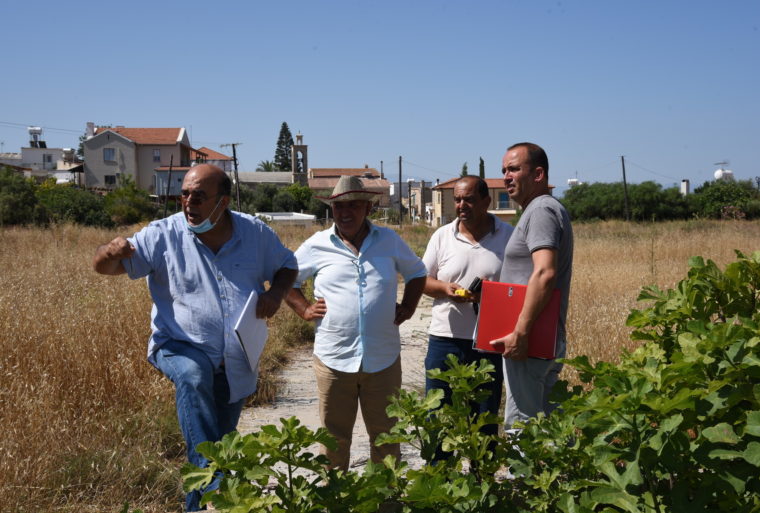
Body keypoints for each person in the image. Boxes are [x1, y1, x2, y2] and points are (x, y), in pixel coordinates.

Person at [92, 164, 298, 511]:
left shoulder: (255, 234)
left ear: (223, 202)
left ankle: (197, 503)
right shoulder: (162, 234)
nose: (189, 202)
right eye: (184, 194)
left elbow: (287, 265)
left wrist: (275, 295)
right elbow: (106, 267)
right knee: (194, 375)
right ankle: (220, 487)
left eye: (199, 196)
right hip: (178, 346)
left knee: (218, 441)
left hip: (236, 358)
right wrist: (109, 253)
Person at [285, 175, 427, 470]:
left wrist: (410, 306)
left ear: (368, 209)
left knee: (387, 437)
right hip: (333, 359)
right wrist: (304, 309)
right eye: (339, 208)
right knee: (333, 439)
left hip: (383, 359)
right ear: (332, 210)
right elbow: (287, 278)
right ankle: (334, 499)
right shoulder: (317, 244)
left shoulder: (389, 241)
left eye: (353, 206)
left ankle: (385, 502)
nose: (345, 213)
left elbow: (417, 272)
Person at [421, 175, 513, 460]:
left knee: (484, 421)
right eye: (458, 199)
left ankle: (480, 485)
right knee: (438, 417)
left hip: (489, 342)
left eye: (469, 199)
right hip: (444, 341)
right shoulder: (442, 236)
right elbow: (422, 281)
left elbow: (521, 288)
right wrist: (446, 289)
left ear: (487, 201)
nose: (462, 205)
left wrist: (490, 296)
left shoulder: (509, 237)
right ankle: (439, 483)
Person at [490, 143, 573, 433]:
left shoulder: (540, 211)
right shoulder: (543, 209)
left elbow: (544, 272)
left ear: (538, 174)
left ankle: (523, 480)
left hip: (530, 341)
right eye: (504, 170)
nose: (506, 177)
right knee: (547, 423)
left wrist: (520, 332)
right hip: (540, 338)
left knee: (522, 425)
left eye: (514, 169)